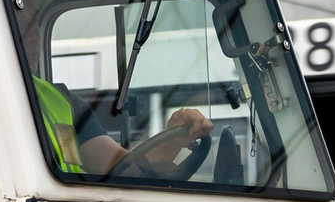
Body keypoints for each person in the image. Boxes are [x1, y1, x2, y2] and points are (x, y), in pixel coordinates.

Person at [32, 74, 212, 179]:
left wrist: (172, 142)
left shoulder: (60, 99)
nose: (33, 37)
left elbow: (121, 169)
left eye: (34, 22)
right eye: (22, 21)